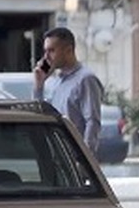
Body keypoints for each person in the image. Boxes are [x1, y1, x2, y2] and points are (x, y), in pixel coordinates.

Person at [34, 26, 104, 156]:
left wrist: (85, 159)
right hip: (57, 155)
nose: (46, 57)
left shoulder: (86, 79)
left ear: (68, 50)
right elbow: (41, 115)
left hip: (75, 157)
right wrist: (39, 85)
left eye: (51, 51)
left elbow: (92, 122)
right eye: (45, 51)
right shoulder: (55, 80)